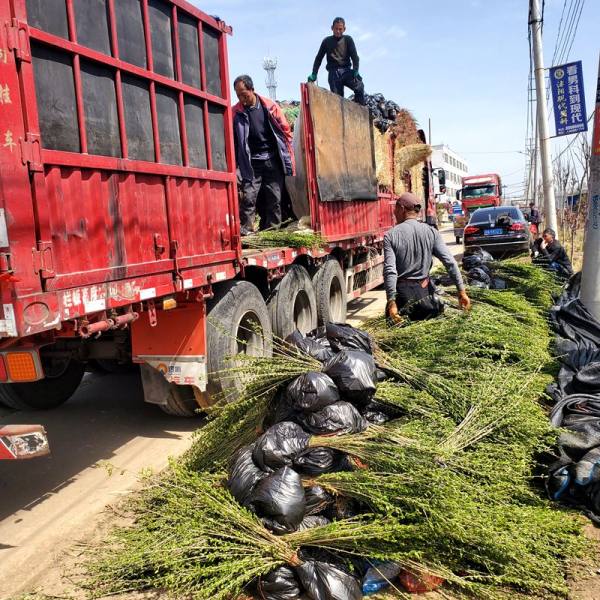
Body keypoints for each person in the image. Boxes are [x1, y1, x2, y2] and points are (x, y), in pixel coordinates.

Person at [384, 193, 471, 324]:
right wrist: (461, 291)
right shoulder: (431, 232)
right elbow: (450, 262)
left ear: (401, 209)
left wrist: (391, 301)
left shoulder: (391, 235)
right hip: (426, 294)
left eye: (395, 209)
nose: (394, 213)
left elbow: (390, 270)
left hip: (402, 297)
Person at [232, 75, 295, 235]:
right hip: (251, 163)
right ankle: (246, 231)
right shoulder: (236, 112)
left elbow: (285, 129)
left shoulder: (270, 107)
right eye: (238, 95)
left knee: (274, 198)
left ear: (252, 89)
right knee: (249, 198)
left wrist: (287, 155)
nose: (241, 98)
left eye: (244, 94)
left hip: (272, 159)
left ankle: (273, 232)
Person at [308, 17, 365, 105]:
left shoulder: (348, 40)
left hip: (346, 71)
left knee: (359, 86)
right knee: (338, 101)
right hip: (333, 73)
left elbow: (355, 57)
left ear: (344, 29)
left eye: (340, 29)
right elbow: (319, 58)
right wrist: (314, 73)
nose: (338, 31)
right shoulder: (326, 41)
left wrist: (356, 70)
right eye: (336, 29)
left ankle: (360, 111)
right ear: (332, 28)